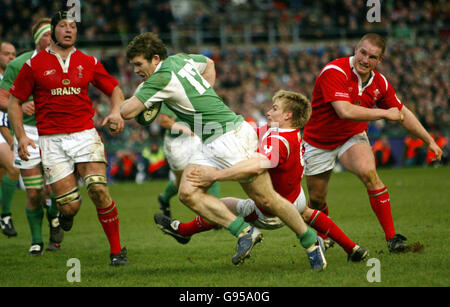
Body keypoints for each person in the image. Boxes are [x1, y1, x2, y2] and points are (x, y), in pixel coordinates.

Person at [120, 32, 326, 270]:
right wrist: (203, 93)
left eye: (138, 64)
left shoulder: (158, 78)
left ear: (155, 58)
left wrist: (128, 102)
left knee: (266, 199)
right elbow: (209, 63)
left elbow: (128, 112)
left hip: (230, 136)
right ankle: (244, 231)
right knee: (187, 192)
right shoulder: (180, 60)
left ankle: (311, 242)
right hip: (210, 138)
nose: (135, 69)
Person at [169, 90, 368, 262]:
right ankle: (352, 248)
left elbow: (254, 167)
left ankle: (185, 230)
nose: (268, 112)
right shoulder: (291, 132)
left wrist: (216, 175)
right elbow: (247, 133)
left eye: (274, 109)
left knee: (221, 206)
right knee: (307, 212)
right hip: (295, 197)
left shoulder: (278, 141)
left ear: (287, 115)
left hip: (270, 210)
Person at [302, 33, 443, 252]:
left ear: (380, 61)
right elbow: (344, 110)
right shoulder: (334, 71)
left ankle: (392, 239)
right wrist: (384, 113)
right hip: (318, 141)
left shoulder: (380, 82)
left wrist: (429, 141)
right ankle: (323, 235)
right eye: (363, 53)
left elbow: (402, 112)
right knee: (317, 199)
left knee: (369, 173)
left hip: (352, 136)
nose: (365, 60)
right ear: (355, 50)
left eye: (373, 57)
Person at [8, 11, 128, 265]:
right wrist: (20, 137)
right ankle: (65, 213)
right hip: (51, 140)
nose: (69, 30)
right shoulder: (34, 65)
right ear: (53, 31)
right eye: (63, 25)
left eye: (72, 26)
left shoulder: (89, 61)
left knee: (97, 187)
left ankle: (117, 251)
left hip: (85, 134)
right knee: (70, 205)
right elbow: (15, 101)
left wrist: (116, 111)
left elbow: (115, 89)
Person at [0, 19, 64, 255]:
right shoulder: (18, 64)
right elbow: (2, 98)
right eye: (47, 35)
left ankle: (55, 217)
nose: (52, 40)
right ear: (38, 39)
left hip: (56, 131)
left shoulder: (64, 62)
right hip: (28, 133)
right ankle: (36, 240)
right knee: (34, 190)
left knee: (57, 188)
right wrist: (20, 104)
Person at [156, 102, 221, 218]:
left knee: (211, 169)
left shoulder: (195, 90)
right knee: (182, 181)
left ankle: (217, 213)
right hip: (176, 142)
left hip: (194, 138)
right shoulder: (172, 94)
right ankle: (164, 198)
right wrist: (184, 129)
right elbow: (164, 121)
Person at [0, 40, 20, 237]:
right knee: (13, 167)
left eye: (13, 54)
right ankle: (5, 215)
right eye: (6, 53)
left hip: (6, 130)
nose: (11, 57)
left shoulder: (14, 78)